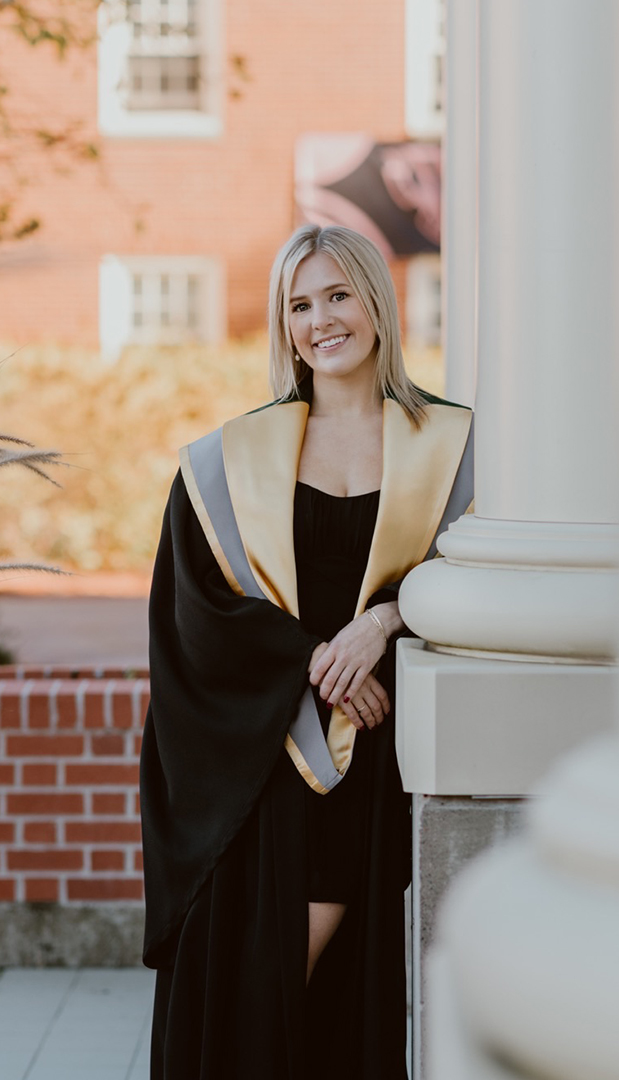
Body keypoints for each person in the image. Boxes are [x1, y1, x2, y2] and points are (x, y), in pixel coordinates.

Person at [140, 224, 473, 1080]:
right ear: (283, 326)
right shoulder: (230, 461)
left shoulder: (453, 448)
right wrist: (316, 665)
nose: (321, 320)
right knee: (267, 979)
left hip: (381, 759)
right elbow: (195, 617)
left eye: (338, 295)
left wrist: (382, 626)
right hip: (269, 760)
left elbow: (477, 581)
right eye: (299, 304)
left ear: (376, 303)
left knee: (339, 989)